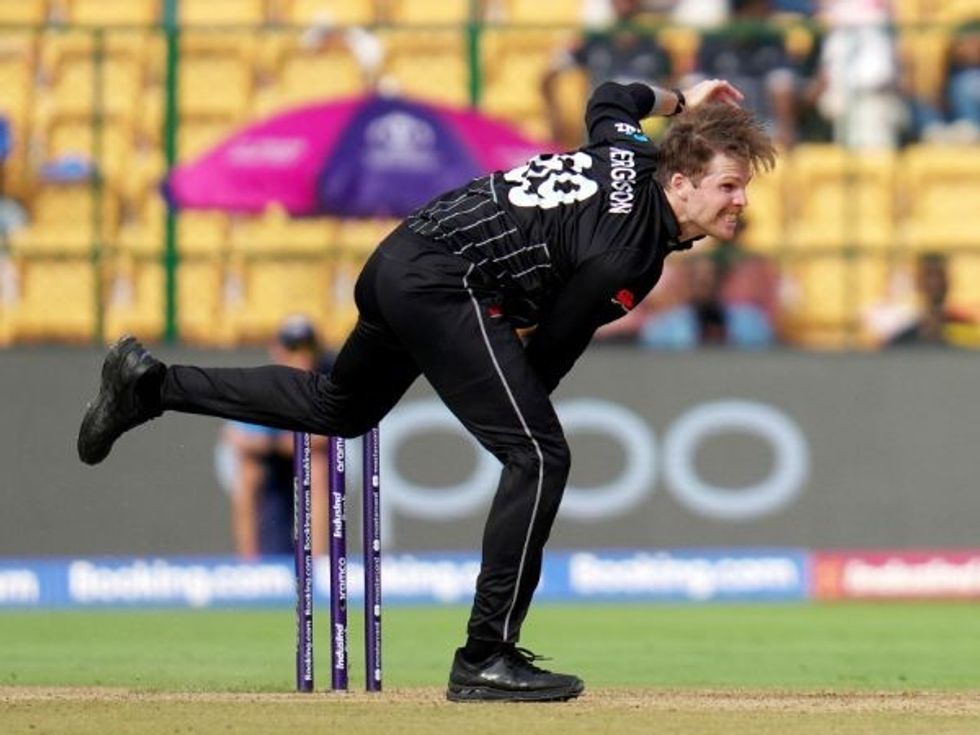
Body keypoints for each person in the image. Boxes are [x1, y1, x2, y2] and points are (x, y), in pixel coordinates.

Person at [77, 77, 775, 702]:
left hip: (402, 256)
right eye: (728, 186)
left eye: (742, 187)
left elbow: (612, 96)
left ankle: (150, 385)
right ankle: (485, 655)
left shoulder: (629, 150)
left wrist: (682, 99)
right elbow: (549, 354)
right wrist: (515, 418)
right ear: (680, 183)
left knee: (338, 408)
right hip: (446, 284)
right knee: (539, 456)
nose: (741, 201)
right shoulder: (628, 254)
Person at [221, 316, 334, 559]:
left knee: (318, 469)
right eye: (293, 349)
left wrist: (273, 442)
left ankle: (318, 562)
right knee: (248, 474)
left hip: (303, 457)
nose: (300, 357)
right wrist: (277, 443)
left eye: (306, 350)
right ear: (278, 350)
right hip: (274, 458)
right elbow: (235, 436)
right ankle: (248, 563)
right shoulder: (264, 382)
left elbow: (324, 438)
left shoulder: (325, 383)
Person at [541, 0, 674, 146]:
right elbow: (549, 75)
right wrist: (554, 114)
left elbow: (672, 84)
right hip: (605, 127)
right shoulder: (594, 39)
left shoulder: (656, 42)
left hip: (648, 129)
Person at [687, 0, 800, 149]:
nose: (766, 14)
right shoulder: (714, 39)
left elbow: (782, 82)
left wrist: (785, 129)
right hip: (719, 124)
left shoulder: (772, 40)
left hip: (764, 124)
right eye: (759, 10)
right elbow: (694, 83)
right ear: (740, 12)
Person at [639, 251, 776, 349]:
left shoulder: (750, 320)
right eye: (697, 277)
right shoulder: (664, 326)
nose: (705, 282)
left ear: (722, 281)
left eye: (711, 276)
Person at [886, 252, 976, 348]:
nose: (935, 283)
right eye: (928, 275)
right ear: (918, 282)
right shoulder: (902, 339)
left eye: (939, 275)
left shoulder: (967, 332)